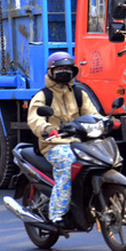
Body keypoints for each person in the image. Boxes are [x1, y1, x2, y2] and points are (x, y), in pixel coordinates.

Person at [27, 52, 99, 224]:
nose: (64, 71)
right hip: (54, 144)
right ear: (51, 71)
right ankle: (56, 213)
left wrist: (107, 122)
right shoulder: (44, 95)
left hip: (79, 143)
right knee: (66, 164)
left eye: (67, 68)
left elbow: (93, 114)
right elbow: (34, 118)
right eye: (59, 68)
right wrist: (47, 128)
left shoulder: (79, 93)